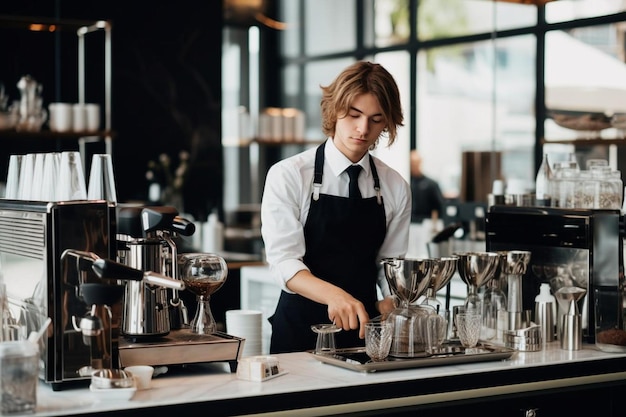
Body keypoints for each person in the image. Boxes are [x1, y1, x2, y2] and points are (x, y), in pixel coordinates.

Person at [260, 61, 411, 354]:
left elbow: (390, 265)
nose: (363, 129)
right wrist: (335, 296)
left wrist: (393, 300)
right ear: (334, 109)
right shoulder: (290, 174)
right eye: (354, 115)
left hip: (366, 335)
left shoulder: (394, 186)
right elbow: (285, 263)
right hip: (300, 335)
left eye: (376, 119)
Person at [409, 149, 445, 223]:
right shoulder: (406, 183)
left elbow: (439, 207)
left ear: (420, 162)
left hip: (426, 223)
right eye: (411, 163)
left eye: (415, 163)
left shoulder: (431, 185)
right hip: (410, 222)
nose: (413, 166)